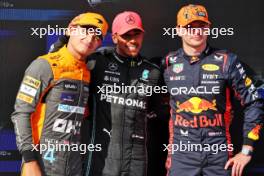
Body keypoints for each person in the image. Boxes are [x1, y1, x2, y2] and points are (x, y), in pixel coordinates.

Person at [50, 11, 162, 176]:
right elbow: (58, 60)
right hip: (100, 156)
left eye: (136, 34)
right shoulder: (97, 61)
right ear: (115, 37)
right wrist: (65, 38)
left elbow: (155, 109)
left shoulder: (153, 72)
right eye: (126, 35)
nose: (132, 40)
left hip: (136, 160)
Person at [162, 4, 264, 176]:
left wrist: (247, 150)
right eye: (190, 27)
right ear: (178, 30)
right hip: (181, 157)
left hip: (219, 156)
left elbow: (254, 101)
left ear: (208, 28)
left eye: (201, 26)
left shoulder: (226, 61)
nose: (196, 32)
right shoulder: (167, 63)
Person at [11, 12, 108, 176]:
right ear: (71, 29)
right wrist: (29, 159)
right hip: (41, 162)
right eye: (86, 29)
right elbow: (21, 113)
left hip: (74, 164)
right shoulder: (44, 65)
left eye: (98, 35)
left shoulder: (88, 70)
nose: (91, 37)